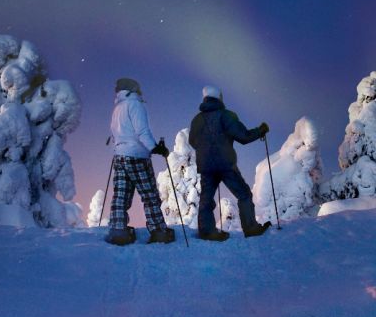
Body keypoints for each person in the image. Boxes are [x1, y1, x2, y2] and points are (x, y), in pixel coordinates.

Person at [188, 85, 270, 241]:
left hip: (206, 166)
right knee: (244, 194)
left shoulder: (197, 119)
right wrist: (260, 131)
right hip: (226, 164)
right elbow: (243, 137)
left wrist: (206, 149)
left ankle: (207, 231)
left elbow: (193, 141)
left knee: (206, 198)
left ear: (205, 98)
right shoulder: (226, 115)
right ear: (219, 98)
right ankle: (251, 228)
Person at [106, 77, 175, 246]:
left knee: (121, 194)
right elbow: (142, 131)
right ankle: (158, 231)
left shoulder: (118, 108)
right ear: (132, 89)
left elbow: (113, 134)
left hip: (120, 156)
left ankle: (118, 231)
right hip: (137, 155)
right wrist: (155, 148)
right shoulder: (135, 105)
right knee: (149, 194)